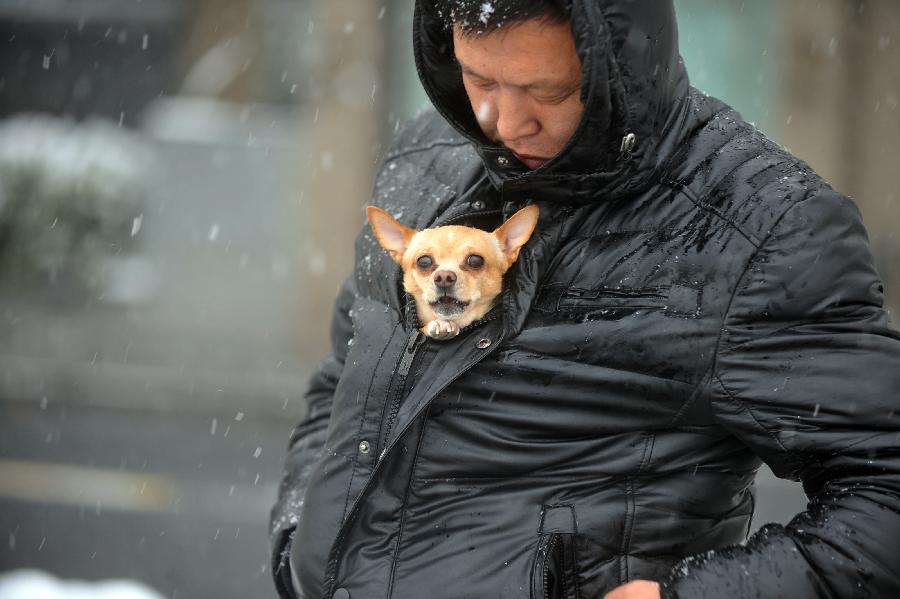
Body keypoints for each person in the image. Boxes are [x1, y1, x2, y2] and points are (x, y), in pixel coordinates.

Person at [270, 0, 900, 597]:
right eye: (478, 79)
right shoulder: (424, 155)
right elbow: (347, 375)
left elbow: (885, 488)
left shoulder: (763, 229)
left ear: (619, 63)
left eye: (548, 91)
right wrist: (301, 536)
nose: (504, 124)